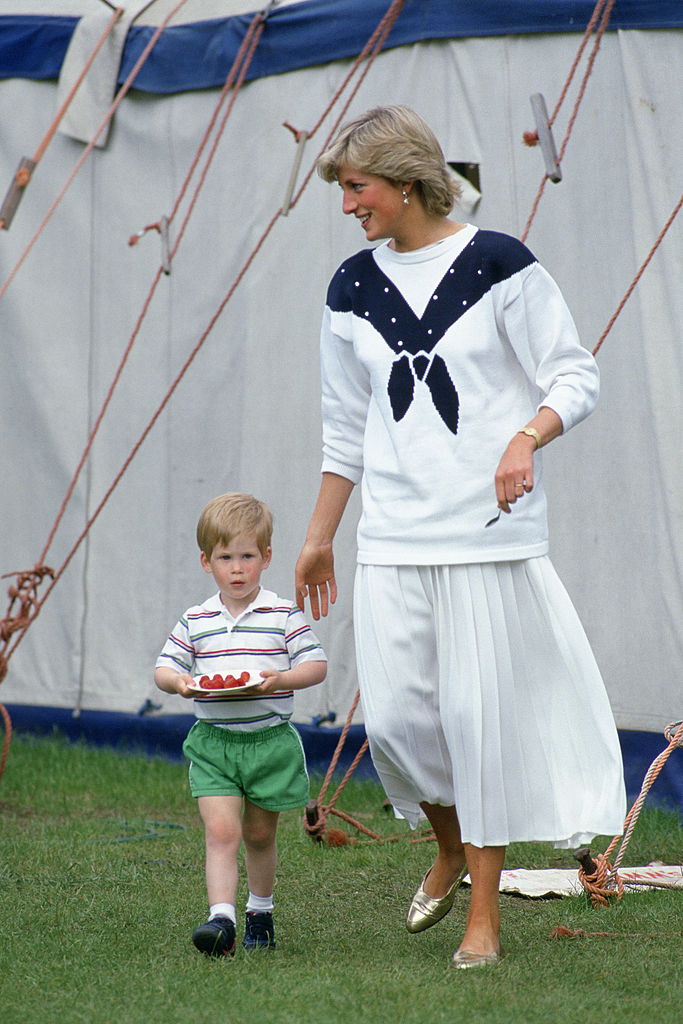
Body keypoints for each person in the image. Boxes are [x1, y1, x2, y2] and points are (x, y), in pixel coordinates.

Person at [294, 106, 626, 969]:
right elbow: (341, 424)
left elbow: (573, 372)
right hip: (392, 540)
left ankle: (485, 918)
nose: (346, 206)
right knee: (400, 725)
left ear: (405, 183)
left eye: (355, 188)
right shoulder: (348, 287)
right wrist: (319, 537)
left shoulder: (498, 263)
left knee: (477, 725)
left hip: (484, 539)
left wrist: (526, 436)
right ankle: (445, 844)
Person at [155, 492, 327, 957]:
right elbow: (163, 670)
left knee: (258, 834)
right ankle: (221, 919)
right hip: (214, 743)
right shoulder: (197, 619)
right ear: (206, 561)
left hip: (268, 741)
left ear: (266, 558)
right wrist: (182, 683)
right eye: (225, 557)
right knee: (222, 833)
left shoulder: (282, 613)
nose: (237, 568)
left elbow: (316, 665)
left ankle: (260, 910)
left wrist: (280, 678)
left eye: (247, 556)